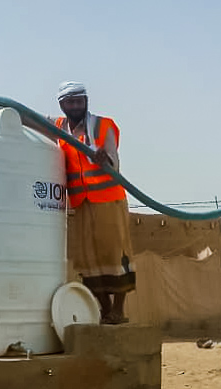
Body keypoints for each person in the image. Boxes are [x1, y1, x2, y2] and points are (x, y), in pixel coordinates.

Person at [55, 81, 136, 324]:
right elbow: (32, 119)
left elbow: (113, 159)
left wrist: (104, 159)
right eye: (71, 102)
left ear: (86, 101)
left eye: (80, 101)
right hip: (81, 202)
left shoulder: (103, 126)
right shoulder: (59, 127)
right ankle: (104, 309)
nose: (76, 106)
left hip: (108, 200)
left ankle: (119, 311)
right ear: (62, 105)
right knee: (89, 258)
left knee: (115, 254)